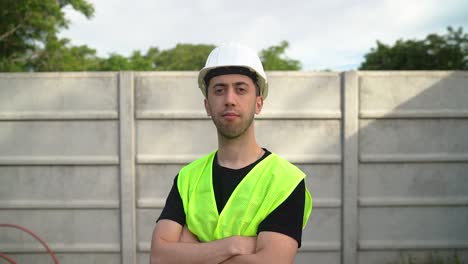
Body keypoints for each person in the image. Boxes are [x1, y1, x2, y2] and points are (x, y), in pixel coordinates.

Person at [150, 43, 312, 264]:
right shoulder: (187, 178)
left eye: (241, 89)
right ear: (207, 105)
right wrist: (234, 245)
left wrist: (191, 249)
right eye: (219, 89)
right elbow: (160, 258)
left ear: (258, 103)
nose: (229, 99)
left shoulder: (286, 181)